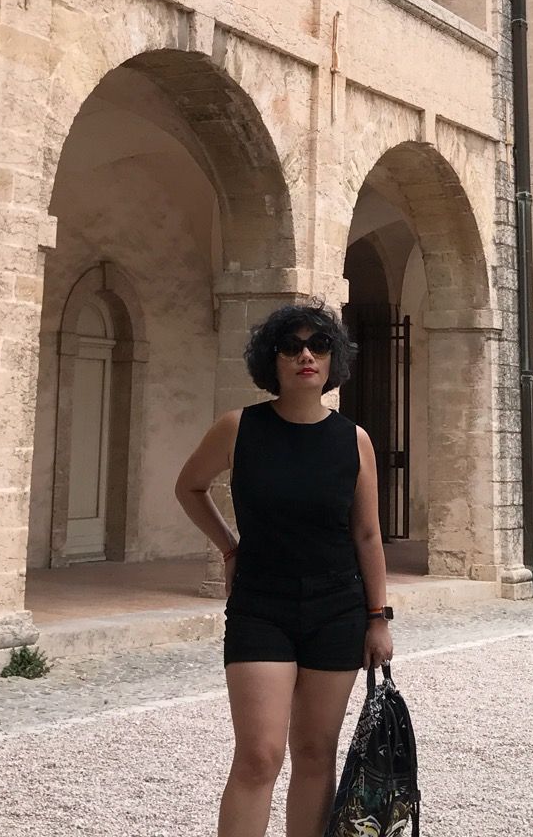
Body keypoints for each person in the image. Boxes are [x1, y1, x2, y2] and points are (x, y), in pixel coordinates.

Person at [175, 301, 394, 837]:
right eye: (290, 346)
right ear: (270, 361)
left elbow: (367, 534)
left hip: (337, 608)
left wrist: (379, 617)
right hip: (261, 606)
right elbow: (189, 487)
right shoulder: (239, 428)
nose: (305, 355)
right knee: (259, 755)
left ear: (332, 360)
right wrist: (230, 549)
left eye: (318, 346)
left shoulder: (353, 440)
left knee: (316, 753)